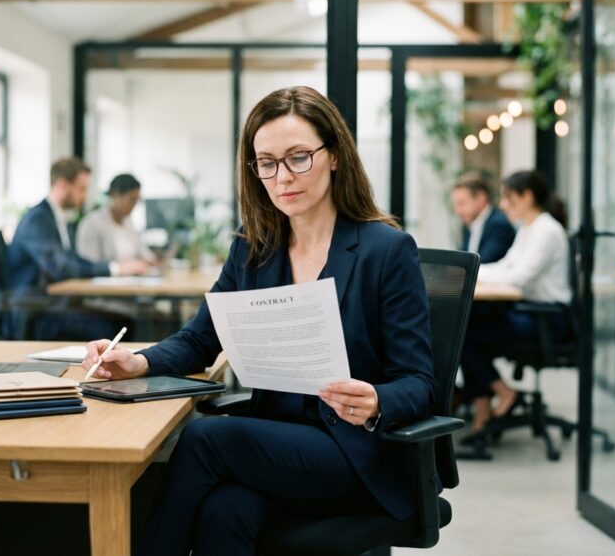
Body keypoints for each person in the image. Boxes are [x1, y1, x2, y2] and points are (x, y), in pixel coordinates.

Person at [82, 86, 434, 556]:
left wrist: (376, 399)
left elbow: (420, 382)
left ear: (334, 157)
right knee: (224, 513)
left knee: (207, 438)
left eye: (298, 157)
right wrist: (138, 363)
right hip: (276, 446)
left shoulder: (385, 251)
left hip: (353, 456)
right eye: (266, 162)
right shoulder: (253, 250)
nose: (282, 176)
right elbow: (199, 340)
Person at [460, 170, 572, 435]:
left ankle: (504, 393)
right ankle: (490, 399)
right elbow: (505, 266)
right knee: (468, 327)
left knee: (466, 336)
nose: (503, 205)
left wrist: (472, 274)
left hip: (547, 318)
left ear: (527, 197)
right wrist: (467, 272)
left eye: (508, 198)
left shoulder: (546, 231)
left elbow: (520, 277)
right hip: (531, 313)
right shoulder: (529, 228)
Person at [6, 157, 139, 341]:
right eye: (82, 189)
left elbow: (72, 259)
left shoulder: (55, 218)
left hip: (52, 305)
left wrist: (112, 267)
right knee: (118, 325)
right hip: (37, 312)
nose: (85, 196)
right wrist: (113, 268)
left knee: (125, 319)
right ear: (62, 185)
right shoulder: (37, 219)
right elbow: (59, 267)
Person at [76, 173, 157, 272]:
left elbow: (142, 251)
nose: (134, 206)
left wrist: (150, 261)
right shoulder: (92, 223)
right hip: (105, 284)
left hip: (131, 281)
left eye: (137, 201)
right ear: (115, 194)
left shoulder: (128, 222)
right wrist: (120, 268)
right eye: (131, 200)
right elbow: (89, 265)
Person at [451, 173, 516, 263]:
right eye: (456, 204)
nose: (457, 210)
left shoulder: (498, 225)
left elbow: (482, 264)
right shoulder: (468, 224)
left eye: (462, 203)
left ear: (481, 198)